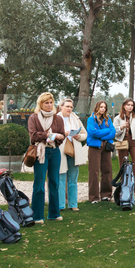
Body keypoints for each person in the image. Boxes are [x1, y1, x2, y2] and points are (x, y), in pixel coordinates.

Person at [28, 92, 66, 223]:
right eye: (46, 103)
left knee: (54, 182)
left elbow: (61, 136)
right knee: (39, 183)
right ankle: (37, 216)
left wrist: (52, 137)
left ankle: (54, 213)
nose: (49, 105)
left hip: (54, 152)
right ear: (40, 104)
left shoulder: (58, 119)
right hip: (40, 153)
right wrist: (52, 136)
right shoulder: (33, 118)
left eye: (51, 102)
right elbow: (34, 136)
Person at [114, 98, 135, 200]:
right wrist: (121, 127)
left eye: (131, 105)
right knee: (123, 166)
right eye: (128, 105)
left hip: (134, 141)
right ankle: (124, 191)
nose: (130, 107)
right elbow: (114, 132)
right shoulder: (118, 118)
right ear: (124, 106)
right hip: (122, 141)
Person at [57, 98, 88, 212]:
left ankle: (73, 204)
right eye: (67, 106)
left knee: (73, 179)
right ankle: (60, 205)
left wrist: (78, 137)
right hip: (60, 150)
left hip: (74, 150)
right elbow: (50, 134)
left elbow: (84, 134)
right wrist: (63, 134)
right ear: (61, 107)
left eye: (71, 107)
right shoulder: (56, 118)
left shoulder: (75, 118)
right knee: (60, 178)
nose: (69, 108)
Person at [86, 101, 116, 203]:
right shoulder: (91, 119)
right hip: (95, 147)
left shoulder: (108, 119)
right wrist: (106, 131)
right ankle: (94, 197)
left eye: (104, 107)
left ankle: (106, 194)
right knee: (94, 171)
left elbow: (113, 133)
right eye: (101, 107)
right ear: (97, 107)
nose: (102, 109)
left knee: (107, 170)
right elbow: (93, 133)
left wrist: (102, 135)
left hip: (106, 146)